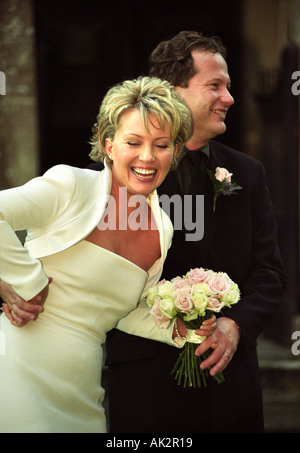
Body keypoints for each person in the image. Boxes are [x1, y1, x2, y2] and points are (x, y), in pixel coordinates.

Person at [0, 76, 213, 433]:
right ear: (108, 144)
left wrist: (178, 328)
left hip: (83, 387)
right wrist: (25, 280)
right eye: (134, 142)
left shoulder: (163, 227)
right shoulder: (70, 187)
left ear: (175, 152)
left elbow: (127, 311)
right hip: (17, 364)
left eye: (161, 145)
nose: (147, 157)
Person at [100, 31, 287, 433]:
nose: (230, 98)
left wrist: (235, 325)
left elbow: (270, 274)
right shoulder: (120, 173)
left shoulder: (248, 173)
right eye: (215, 86)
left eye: (229, 87)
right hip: (145, 381)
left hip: (231, 383)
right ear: (173, 92)